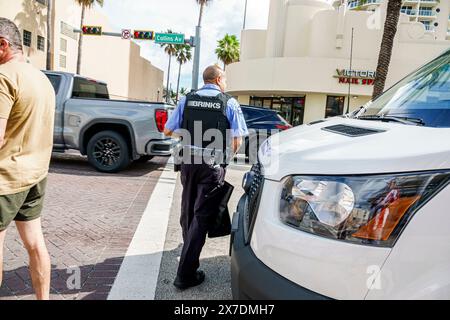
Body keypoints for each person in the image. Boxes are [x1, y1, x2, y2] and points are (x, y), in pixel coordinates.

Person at [164, 65, 248, 290]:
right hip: (212, 165)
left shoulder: (186, 99)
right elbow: (237, 140)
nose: (226, 84)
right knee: (202, 217)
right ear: (219, 79)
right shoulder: (228, 102)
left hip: (187, 162)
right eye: (225, 80)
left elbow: (167, 130)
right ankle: (185, 273)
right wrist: (224, 161)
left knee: (188, 211)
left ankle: (188, 252)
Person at [0, 18, 55, 300]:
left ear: (3, 44)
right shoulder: (42, 79)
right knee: (35, 244)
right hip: (36, 176)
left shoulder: (4, 76)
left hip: (6, 180)